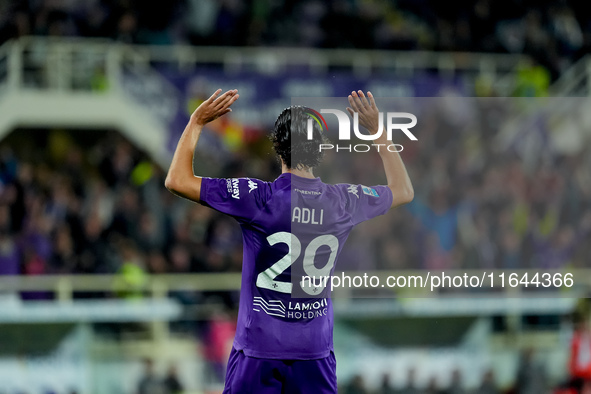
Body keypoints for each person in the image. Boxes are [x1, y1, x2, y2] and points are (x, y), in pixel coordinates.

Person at [165, 89, 414, 393]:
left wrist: (196, 122)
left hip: (258, 349)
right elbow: (402, 190)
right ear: (320, 149)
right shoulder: (343, 202)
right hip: (314, 352)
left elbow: (177, 180)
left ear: (278, 148)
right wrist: (377, 129)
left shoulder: (257, 197)